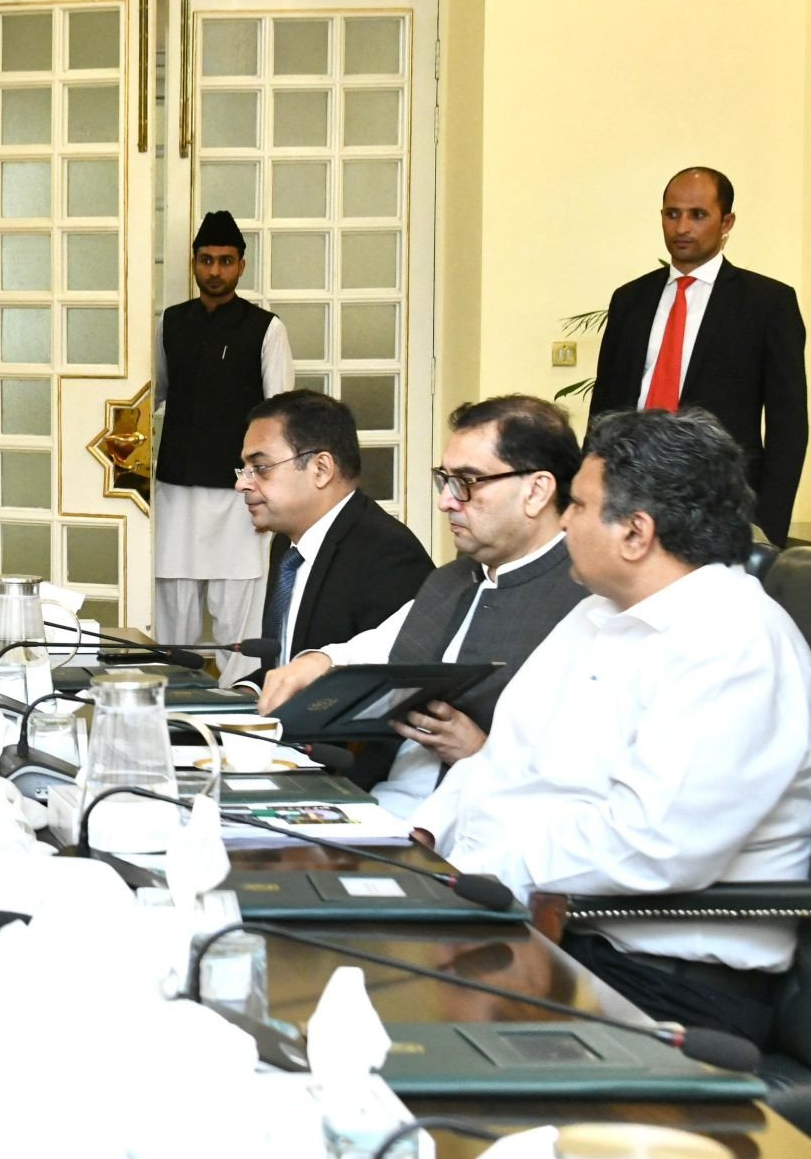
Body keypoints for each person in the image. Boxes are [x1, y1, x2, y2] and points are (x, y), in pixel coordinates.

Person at [413, 409, 811, 1048]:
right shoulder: (595, 614)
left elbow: (651, 844)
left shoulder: (733, 643)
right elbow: (501, 764)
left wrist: (475, 876)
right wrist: (421, 842)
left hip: (658, 975)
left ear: (635, 532)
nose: (566, 520)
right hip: (542, 926)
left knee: (396, 1035)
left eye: (578, 504)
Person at [258, 395, 587, 814]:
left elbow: (589, 778)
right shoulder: (455, 577)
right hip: (382, 804)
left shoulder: (587, 598)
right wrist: (318, 661)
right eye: (444, 480)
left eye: (467, 482)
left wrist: (480, 755)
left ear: (537, 490)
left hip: (485, 833)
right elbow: (382, 646)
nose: (446, 501)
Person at [590, 166, 807, 544]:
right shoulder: (630, 300)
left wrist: (769, 527)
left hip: (718, 502)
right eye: (672, 214)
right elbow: (603, 408)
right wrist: (588, 500)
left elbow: (788, 426)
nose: (682, 227)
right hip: (629, 495)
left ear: (727, 222)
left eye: (698, 215)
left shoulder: (768, 303)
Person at [154, 211, 294, 667]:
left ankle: (240, 699)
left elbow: (281, 412)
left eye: (226, 261)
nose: (215, 271)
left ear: (241, 266)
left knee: (239, 605)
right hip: (176, 486)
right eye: (207, 260)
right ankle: (170, 694)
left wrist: (272, 483)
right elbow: (149, 395)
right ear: (193, 263)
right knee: (172, 598)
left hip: (239, 490)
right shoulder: (170, 324)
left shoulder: (265, 329)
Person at [234, 390, 430, 679]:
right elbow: (284, 668)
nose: (242, 485)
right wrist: (249, 691)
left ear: (321, 469)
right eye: (244, 469)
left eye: (260, 468)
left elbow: (383, 688)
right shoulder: (286, 545)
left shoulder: (388, 553)